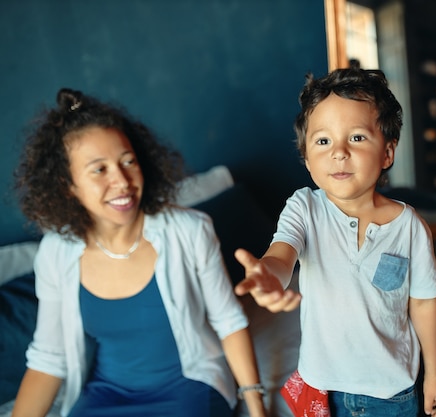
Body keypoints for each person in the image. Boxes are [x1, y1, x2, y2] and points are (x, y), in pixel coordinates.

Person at [11, 88, 266, 417]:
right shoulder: (55, 254)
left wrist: (255, 403)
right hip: (105, 394)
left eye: (128, 161)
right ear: (67, 185)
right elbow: (49, 358)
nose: (122, 181)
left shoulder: (190, 230)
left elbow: (228, 322)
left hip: (187, 390)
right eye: (99, 169)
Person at [234, 68, 436, 417]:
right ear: (306, 158)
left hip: (392, 393)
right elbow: (281, 254)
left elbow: (424, 304)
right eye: (323, 141)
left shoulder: (409, 226)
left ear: (388, 153)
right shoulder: (304, 207)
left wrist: (434, 377)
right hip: (324, 386)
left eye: (357, 138)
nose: (339, 152)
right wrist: (268, 277)